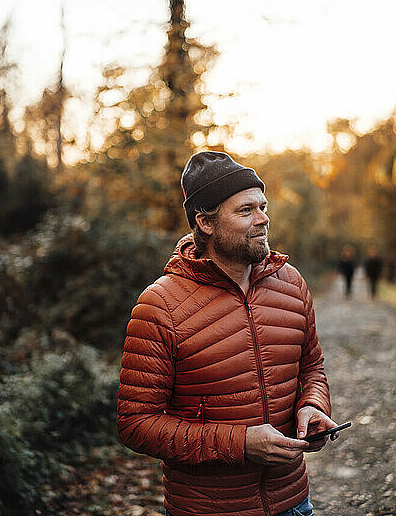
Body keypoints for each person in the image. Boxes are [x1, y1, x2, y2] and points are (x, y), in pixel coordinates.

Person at [117, 151, 339, 516]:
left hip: (293, 502)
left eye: (262, 207)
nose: (263, 219)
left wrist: (312, 406)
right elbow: (136, 424)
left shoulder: (291, 282)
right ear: (205, 223)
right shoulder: (159, 305)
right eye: (245, 210)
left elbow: (312, 367)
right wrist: (241, 443)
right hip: (208, 509)